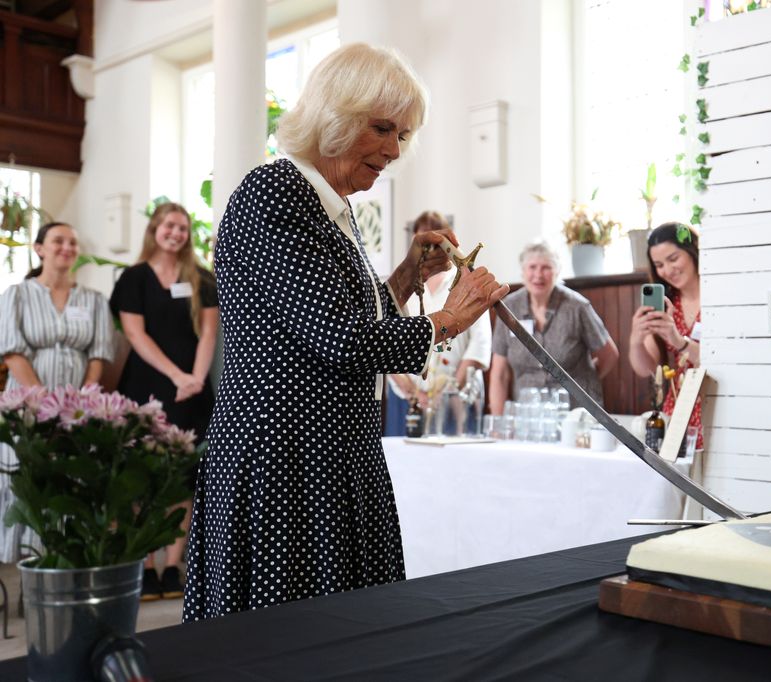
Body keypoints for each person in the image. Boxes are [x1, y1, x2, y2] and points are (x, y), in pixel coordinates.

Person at [183, 42, 507, 622]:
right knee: (287, 641)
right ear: (334, 115)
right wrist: (449, 318)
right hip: (283, 463)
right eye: (381, 128)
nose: (393, 150)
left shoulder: (331, 207)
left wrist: (407, 278)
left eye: (402, 134)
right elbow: (341, 339)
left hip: (330, 454)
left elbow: (333, 319)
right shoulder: (275, 192)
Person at [109, 202, 219, 600]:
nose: (177, 233)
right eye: (170, 225)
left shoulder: (200, 278)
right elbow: (135, 336)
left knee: (184, 477)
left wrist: (195, 378)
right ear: (155, 228)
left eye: (183, 227)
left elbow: (209, 334)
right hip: (146, 386)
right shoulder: (134, 278)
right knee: (142, 476)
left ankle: (172, 566)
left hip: (192, 389)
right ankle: (145, 564)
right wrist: (176, 376)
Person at [0, 221, 115, 563]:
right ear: (40, 248)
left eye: (72, 242)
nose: (67, 247)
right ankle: (28, 571)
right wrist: (46, 403)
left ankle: (64, 567)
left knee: (72, 480)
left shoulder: (93, 300)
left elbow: (98, 353)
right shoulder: (17, 295)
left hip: (79, 406)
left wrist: (81, 401)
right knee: (27, 481)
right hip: (27, 402)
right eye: (58, 241)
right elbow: (12, 351)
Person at [387, 211, 492, 434]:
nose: (429, 249)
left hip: (456, 398)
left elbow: (479, 345)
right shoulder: (401, 283)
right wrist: (413, 393)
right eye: (422, 240)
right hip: (408, 399)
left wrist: (449, 392)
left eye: (435, 241)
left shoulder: (466, 280)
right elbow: (385, 336)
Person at [489, 240, 618, 413]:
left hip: (576, 414)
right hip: (529, 416)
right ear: (523, 271)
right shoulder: (508, 308)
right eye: (532, 267)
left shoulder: (577, 306)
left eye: (546, 268)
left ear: (557, 272)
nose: (538, 275)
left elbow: (609, 355)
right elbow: (499, 374)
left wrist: (584, 385)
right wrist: (498, 423)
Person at [628, 222, 703, 450]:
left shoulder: (719, 296)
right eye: (659, 265)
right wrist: (636, 339)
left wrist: (679, 342)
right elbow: (646, 368)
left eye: (673, 259)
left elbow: (722, 362)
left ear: (693, 252)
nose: (667, 271)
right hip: (678, 408)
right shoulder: (668, 304)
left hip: (714, 403)